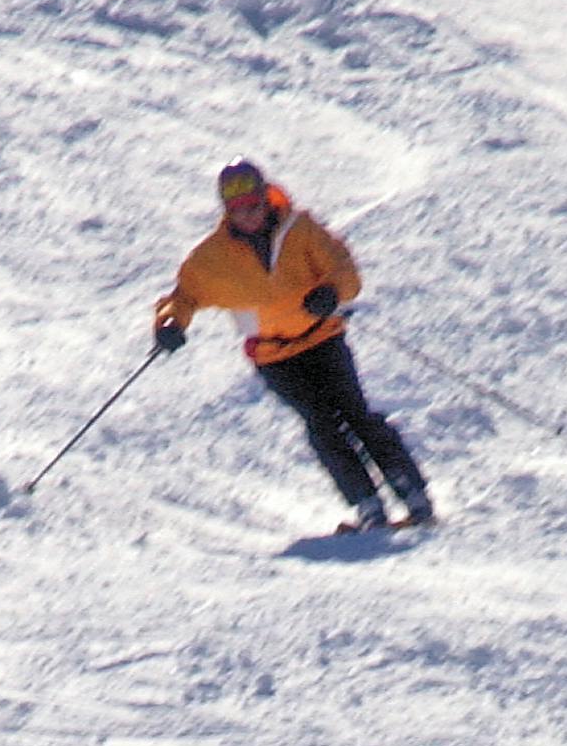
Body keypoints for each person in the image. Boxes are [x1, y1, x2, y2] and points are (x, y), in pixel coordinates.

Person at [152, 160, 435, 535]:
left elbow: (344, 271)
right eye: (238, 211)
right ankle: (367, 506)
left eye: (253, 206)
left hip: (322, 337)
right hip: (275, 356)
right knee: (321, 423)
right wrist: (170, 323)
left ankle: (412, 493)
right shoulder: (213, 257)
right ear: (227, 212)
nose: (248, 216)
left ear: (266, 200)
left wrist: (330, 293)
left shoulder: (300, 230)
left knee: (354, 412)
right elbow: (184, 296)